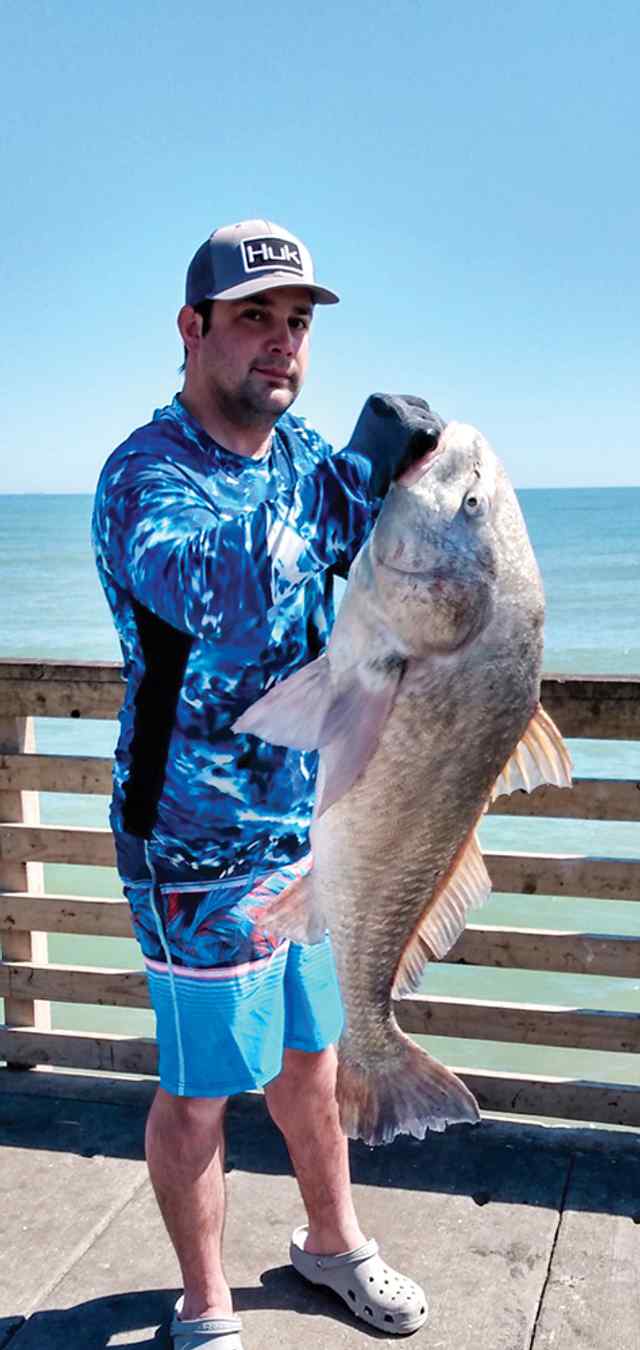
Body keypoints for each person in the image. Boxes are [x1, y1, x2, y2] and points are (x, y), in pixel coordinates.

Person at [92, 218, 443, 1350]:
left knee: (314, 1060)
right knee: (201, 1091)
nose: (282, 345)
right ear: (192, 329)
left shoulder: (297, 461)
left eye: (296, 324)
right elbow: (224, 588)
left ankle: (331, 1245)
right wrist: (354, 471)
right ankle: (204, 1307)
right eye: (254, 319)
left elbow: (371, 551)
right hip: (190, 847)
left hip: (310, 828)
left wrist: (430, 493)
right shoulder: (147, 475)